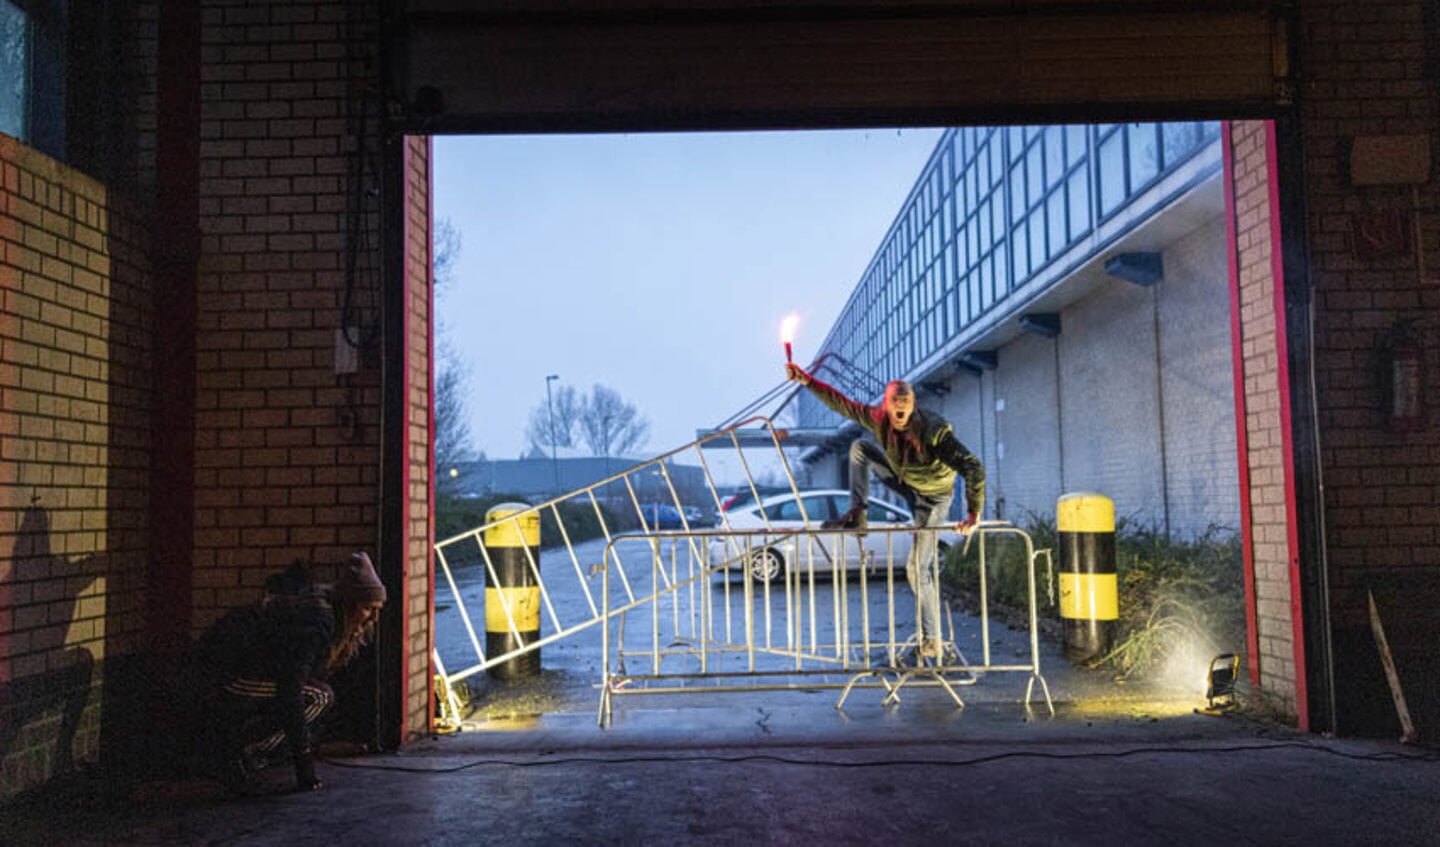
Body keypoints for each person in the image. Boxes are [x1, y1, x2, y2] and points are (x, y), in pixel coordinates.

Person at [786, 363, 985, 660]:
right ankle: (858, 514)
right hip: (904, 481)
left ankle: (932, 638)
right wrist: (807, 380)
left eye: (905, 404)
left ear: (913, 405)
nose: (900, 410)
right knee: (859, 449)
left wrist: (973, 514)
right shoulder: (877, 418)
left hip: (933, 497)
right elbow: (841, 403)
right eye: (895, 404)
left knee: (918, 568)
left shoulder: (934, 430)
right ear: (886, 406)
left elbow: (972, 466)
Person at [193, 552, 387, 794]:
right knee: (319, 697)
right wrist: (303, 762)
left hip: (236, 666)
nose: (373, 618)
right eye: (368, 608)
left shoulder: (325, 614)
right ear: (350, 604)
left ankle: (244, 750)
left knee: (316, 694)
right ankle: (236, 750)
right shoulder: (318, 622)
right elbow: (291, 689)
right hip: (224, 670)